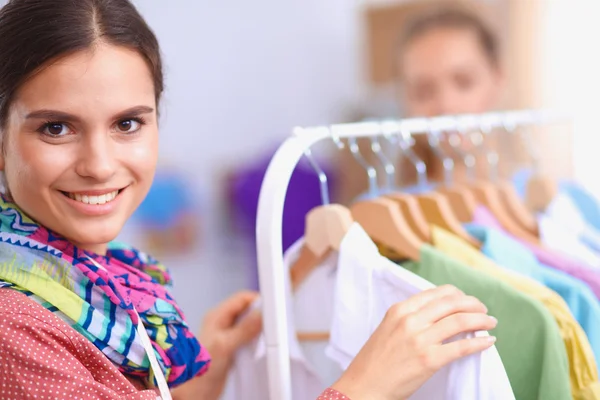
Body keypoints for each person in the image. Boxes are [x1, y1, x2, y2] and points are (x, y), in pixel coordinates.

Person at [0, 1, 498, 399]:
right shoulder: (14, 328)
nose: (100, 164)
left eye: (127, 123)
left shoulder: (105, 290)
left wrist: (199, 384)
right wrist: (363, 388)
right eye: (56, 128)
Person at [395, 6, 505, 185]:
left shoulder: (554, 204)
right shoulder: (370, 211)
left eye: (464, 82)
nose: (446, 105)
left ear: (498, 79)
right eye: (423, 91)